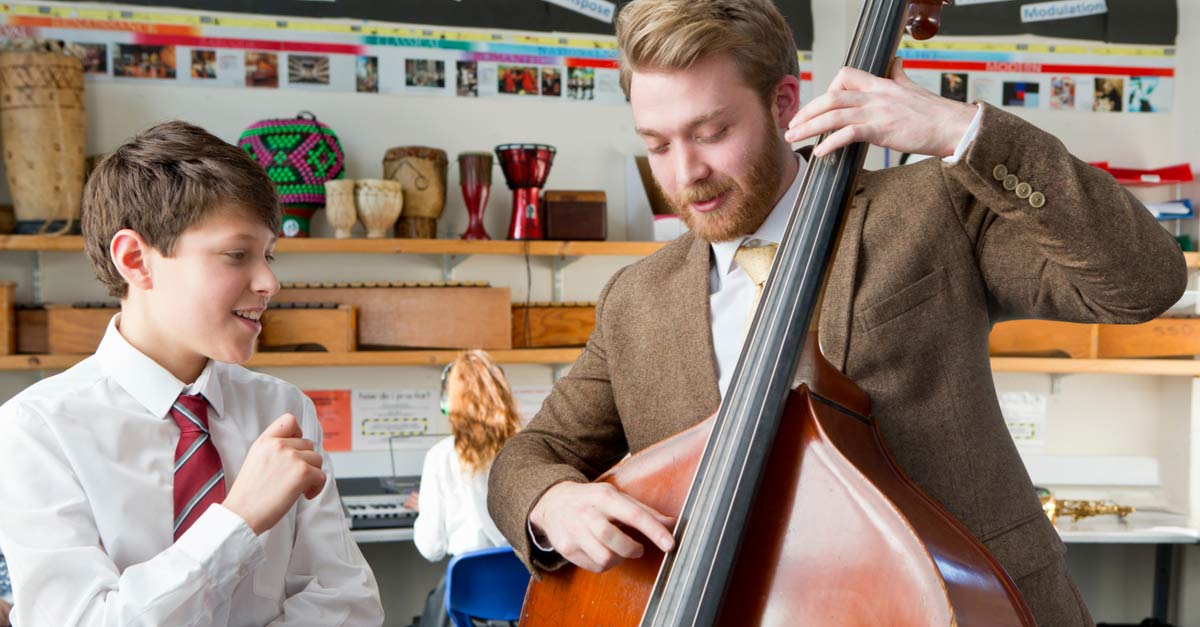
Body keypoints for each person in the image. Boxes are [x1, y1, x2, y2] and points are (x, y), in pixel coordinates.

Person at [486, 1, 1187, 625]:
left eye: (710, 131)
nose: (684, 172)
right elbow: (528, 458)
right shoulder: (636, 300)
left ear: (784, 102)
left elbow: (1141, 283)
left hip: (960, 605)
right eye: (658, 144)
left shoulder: (929, 208)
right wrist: (551, 505)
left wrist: (964, 133)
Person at [0, 121, 384, 625]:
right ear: (136, 259)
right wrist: (238, 520)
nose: (270, 281)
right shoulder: (34, 429)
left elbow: (348, 602)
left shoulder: (285, 410)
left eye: (268, 255)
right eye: (236, 254)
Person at [408, 350, 520, 627]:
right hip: (527, 592)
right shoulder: (526, 447)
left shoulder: (441, 456)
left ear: (447, 404)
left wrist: (428, 508)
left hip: (470, 604)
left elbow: (430, 548)